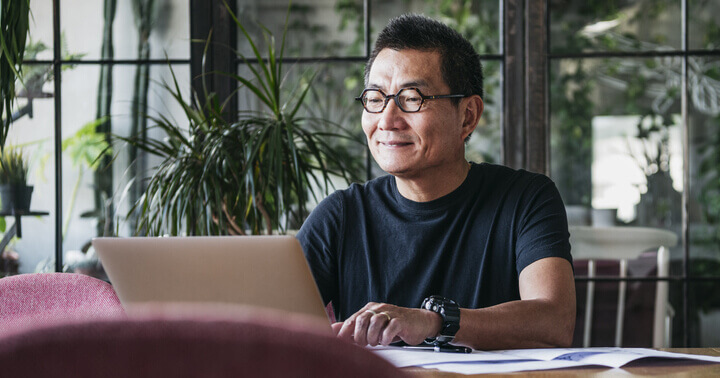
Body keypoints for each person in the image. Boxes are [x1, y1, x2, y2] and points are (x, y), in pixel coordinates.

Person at [296, 14, 575, 350]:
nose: (387, 120)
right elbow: (266, 326)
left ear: (467, 115)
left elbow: (553, 321)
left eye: (412, 98)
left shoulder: (525, 199)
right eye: (375, 98)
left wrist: (432, 321)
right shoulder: (339, 217)